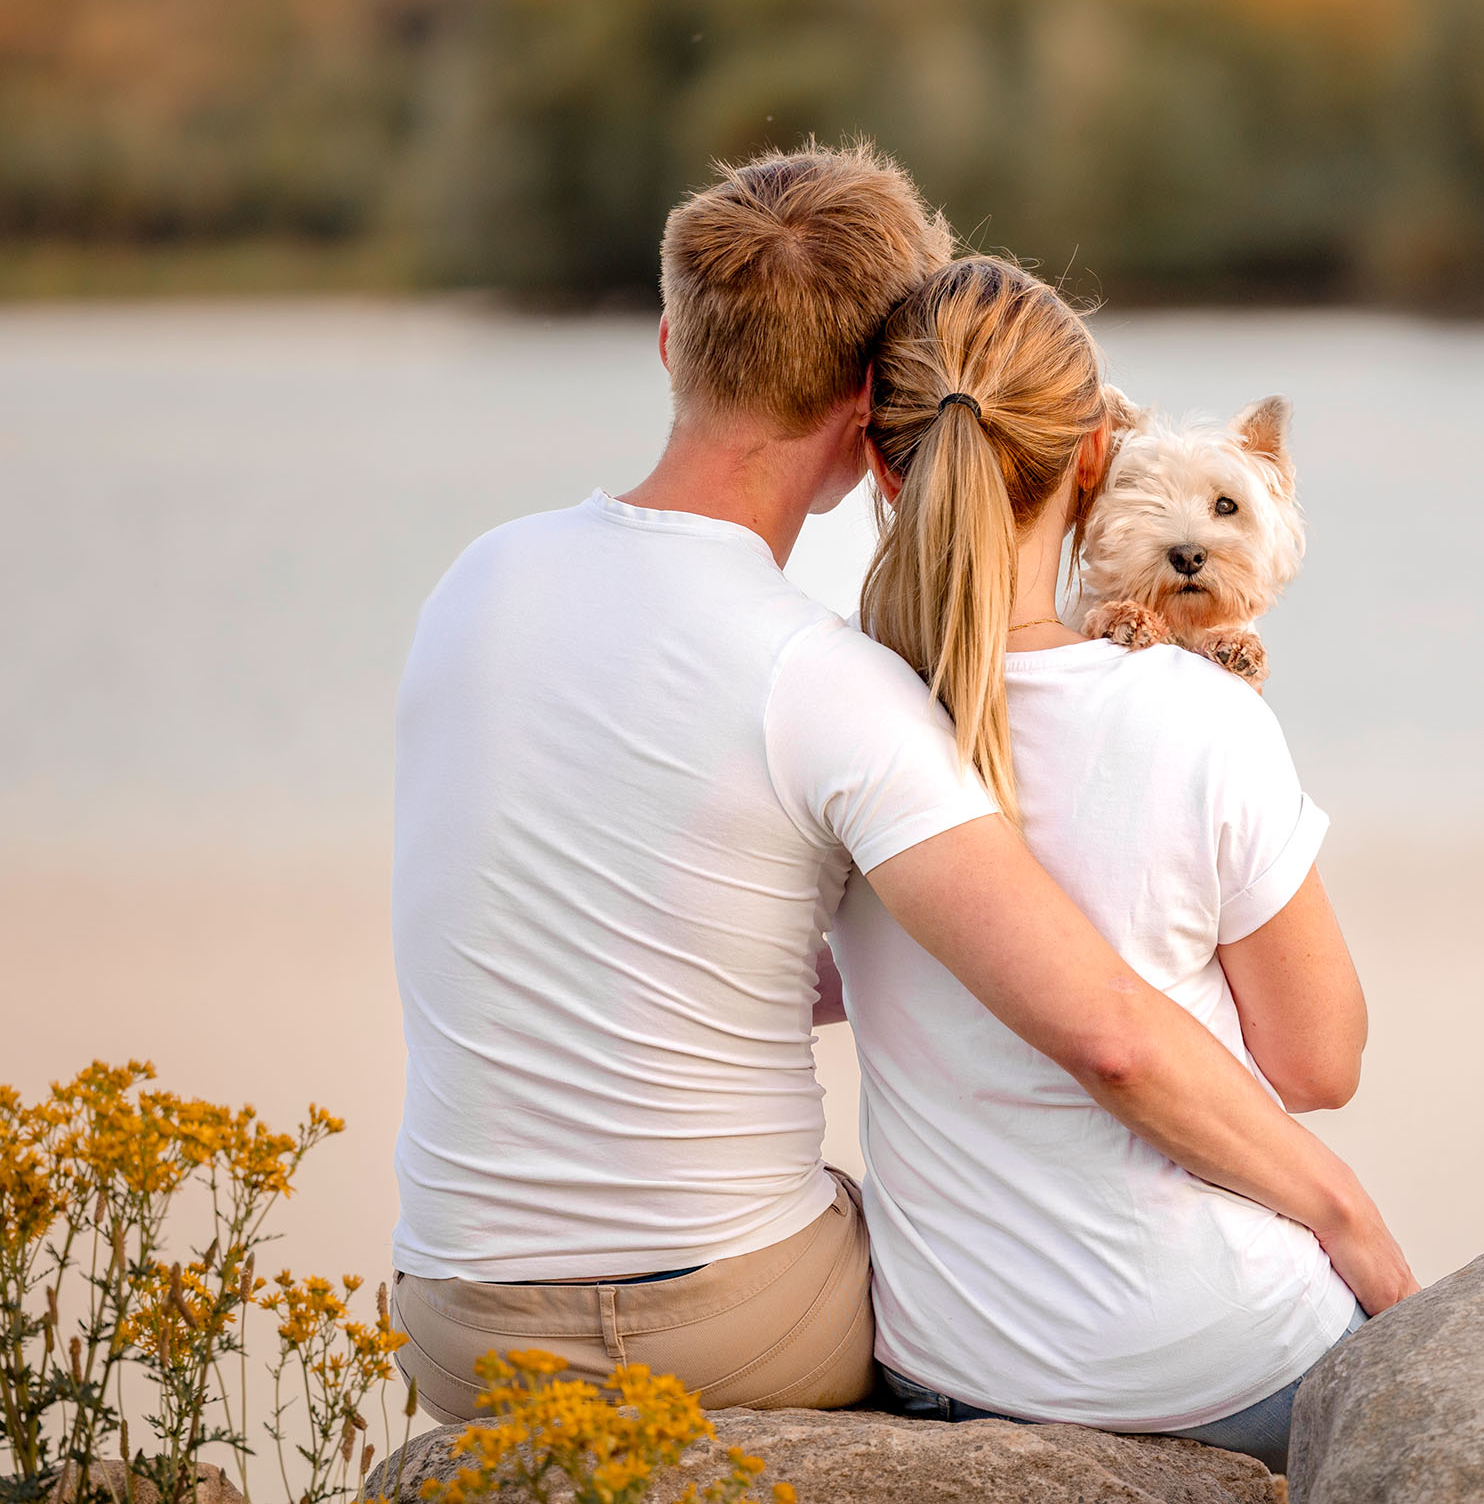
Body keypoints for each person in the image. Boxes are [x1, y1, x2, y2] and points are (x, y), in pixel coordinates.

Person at [388, 143, 1415, 1421]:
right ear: (880, 417)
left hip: (448, 1317)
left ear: (668, 345)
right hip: (740, 1323)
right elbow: (1120, 1034)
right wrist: (1343, 1211)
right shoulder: (830, 683)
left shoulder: (477, 581)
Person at [832, 255, 1402, 1473]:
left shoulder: (835, 701)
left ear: (887, 459)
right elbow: (1319, 1063)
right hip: (1209, 1360)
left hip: (946, 1360)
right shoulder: (1206, 719)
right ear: (1094, 460)